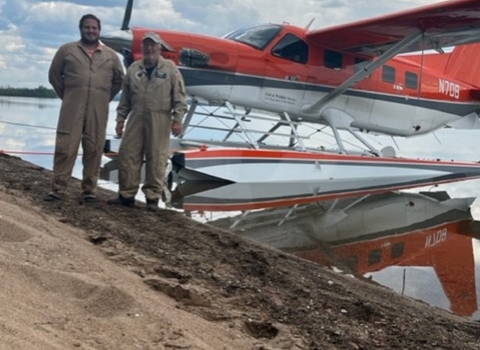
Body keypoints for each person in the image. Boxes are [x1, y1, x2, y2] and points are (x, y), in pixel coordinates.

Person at [44, 14, 124, 203]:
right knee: (65, 146)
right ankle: (58, 189)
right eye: (87, 27)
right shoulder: (67, 50)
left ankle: (89, 190)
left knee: (94, 148)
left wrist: (103, 97)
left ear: (99, 30)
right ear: (81, 29)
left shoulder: (111, 56)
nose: (90, 31)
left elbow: (119, 80)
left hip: (98, 109)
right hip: (72, 108)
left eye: (94, 28)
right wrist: (69, 95)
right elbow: (54, 75)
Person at [107, 32, 187, 212]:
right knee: (128, 155)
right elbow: (125, 99)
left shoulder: (170, 69)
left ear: (159, 48)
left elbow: (180, 97)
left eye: (153, 45)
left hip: (160, 118)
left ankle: (152, 198)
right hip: (136, 117)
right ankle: (126, 195)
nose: (149, 48)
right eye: (146, 45)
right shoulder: (134, 69)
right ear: (142, 48)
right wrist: (120, 119)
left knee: (156, 158)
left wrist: (177, 120)